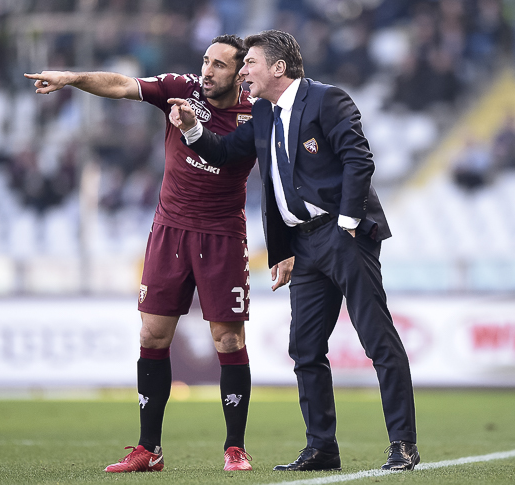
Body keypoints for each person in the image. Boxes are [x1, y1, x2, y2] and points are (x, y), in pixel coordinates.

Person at [25, 34, 294, 473]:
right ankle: (148, 449)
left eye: (220, 65)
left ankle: (235, 448)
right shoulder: (181, 88)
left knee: (228, 340)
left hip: (222, 235)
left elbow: (250, 167)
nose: (207, 71)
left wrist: (284, 244)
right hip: (169, 231)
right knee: (152, 336)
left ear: (240, 73)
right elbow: (120, 85)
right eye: (205, 61)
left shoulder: (257, 112)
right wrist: (72, 78)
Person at [170, 29, 419, 472]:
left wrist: (347, 223)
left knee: (377, 339)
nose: (242, 72)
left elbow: (359, 159)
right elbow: (224, 153)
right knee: (304, 347)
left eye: (250, 63)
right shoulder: (262, 112)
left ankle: (403, 444)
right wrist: (191, 127)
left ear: (278, 68)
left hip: (343, 234)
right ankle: (322, 447)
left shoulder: (328, 100)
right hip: (302, 245)